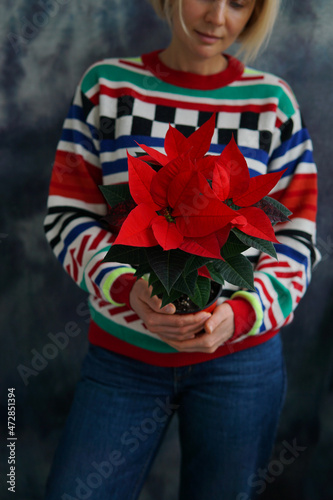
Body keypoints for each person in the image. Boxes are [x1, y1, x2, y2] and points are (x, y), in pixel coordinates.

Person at [43, 0, 320, 498]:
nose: (217, 17)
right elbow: (68, 216)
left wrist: (240, 314)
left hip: (240, 363)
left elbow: (296, 235)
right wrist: (129, 290)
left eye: (238, 3)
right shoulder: (106, 86)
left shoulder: (272, 101)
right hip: (123, 358)